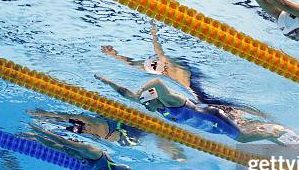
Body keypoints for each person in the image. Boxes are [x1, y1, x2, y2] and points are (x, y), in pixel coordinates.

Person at [101, 20, 266, 116]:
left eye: (164, 70)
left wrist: (154, 34)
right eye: (162, 72)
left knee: (220, 106)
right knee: (216, 109)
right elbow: (131, 63)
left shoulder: (167, 63)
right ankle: (243, 116)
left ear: (164, 65)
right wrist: (114, 55)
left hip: (193, 83)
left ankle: (257, 114)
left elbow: (159, 51)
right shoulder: (149, 67)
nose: (164, 73)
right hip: (188, 85)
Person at [94, 75, 299, 144]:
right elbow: (126, 94)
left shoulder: (169, 100)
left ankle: (276, 134)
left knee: (241, 138)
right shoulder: (152, 103)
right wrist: (105, 81)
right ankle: (272, 130)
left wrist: (144, 88)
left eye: (148, 103)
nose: (146, 108)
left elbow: (157, 81)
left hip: (212, 118)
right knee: (244, 130)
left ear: (154, 98)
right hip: (209, 126)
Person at [21, 123, 185, 170]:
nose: (70, 148)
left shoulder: (88, 150)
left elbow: (62, 142)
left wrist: (41, 131)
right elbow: (55, 146)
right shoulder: (76, 154)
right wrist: (36, 138)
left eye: (72, 144)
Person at [27, 109, 187, 161]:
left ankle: (179, 154)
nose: (86, 131)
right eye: (83, 130)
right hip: (124, 139)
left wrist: (44, 113)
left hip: (126, 133)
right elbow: (63, 120)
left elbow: (64, 117)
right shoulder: (84, 128)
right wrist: (44, 115)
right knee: (155, 140)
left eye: (85, 129)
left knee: (159, 141)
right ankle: (178, 153)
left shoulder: (89, 121)